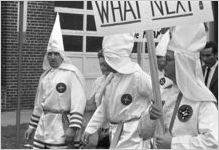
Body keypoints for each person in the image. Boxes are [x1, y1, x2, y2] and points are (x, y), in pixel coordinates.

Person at [149, 24, 218, 149]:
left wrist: (173, 143)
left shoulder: (203, 101)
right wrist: (150, 116)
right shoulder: (164, 93)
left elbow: (213, 142)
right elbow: (143, 133)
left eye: (168, 59)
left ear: (181, 64)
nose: (163, 63)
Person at [24, 13, 87, 149]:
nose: (52, 57)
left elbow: (78, 101)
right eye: (50, 54)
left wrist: (73, 127)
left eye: (56, 53)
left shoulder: (71, 74)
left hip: (61, 126)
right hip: (43, 126)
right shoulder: (44, 77)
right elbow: (38, 104)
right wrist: (31, 126)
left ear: (62, 55)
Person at [82, 33, 153, 149]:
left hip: (134, 135)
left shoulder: (138, 77)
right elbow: (105, 107)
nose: (104, 62)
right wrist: (91, 128)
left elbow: (158, 99)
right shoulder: (113, 78)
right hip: (115, 133)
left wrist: (147, 121)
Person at [86, 49, 113, 149]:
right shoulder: (98, 81)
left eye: (105, 64)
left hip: (113, 129)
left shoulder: (117, 81)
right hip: (99, 128)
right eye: (100, 64)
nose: (102, 68)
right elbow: (92, 104)